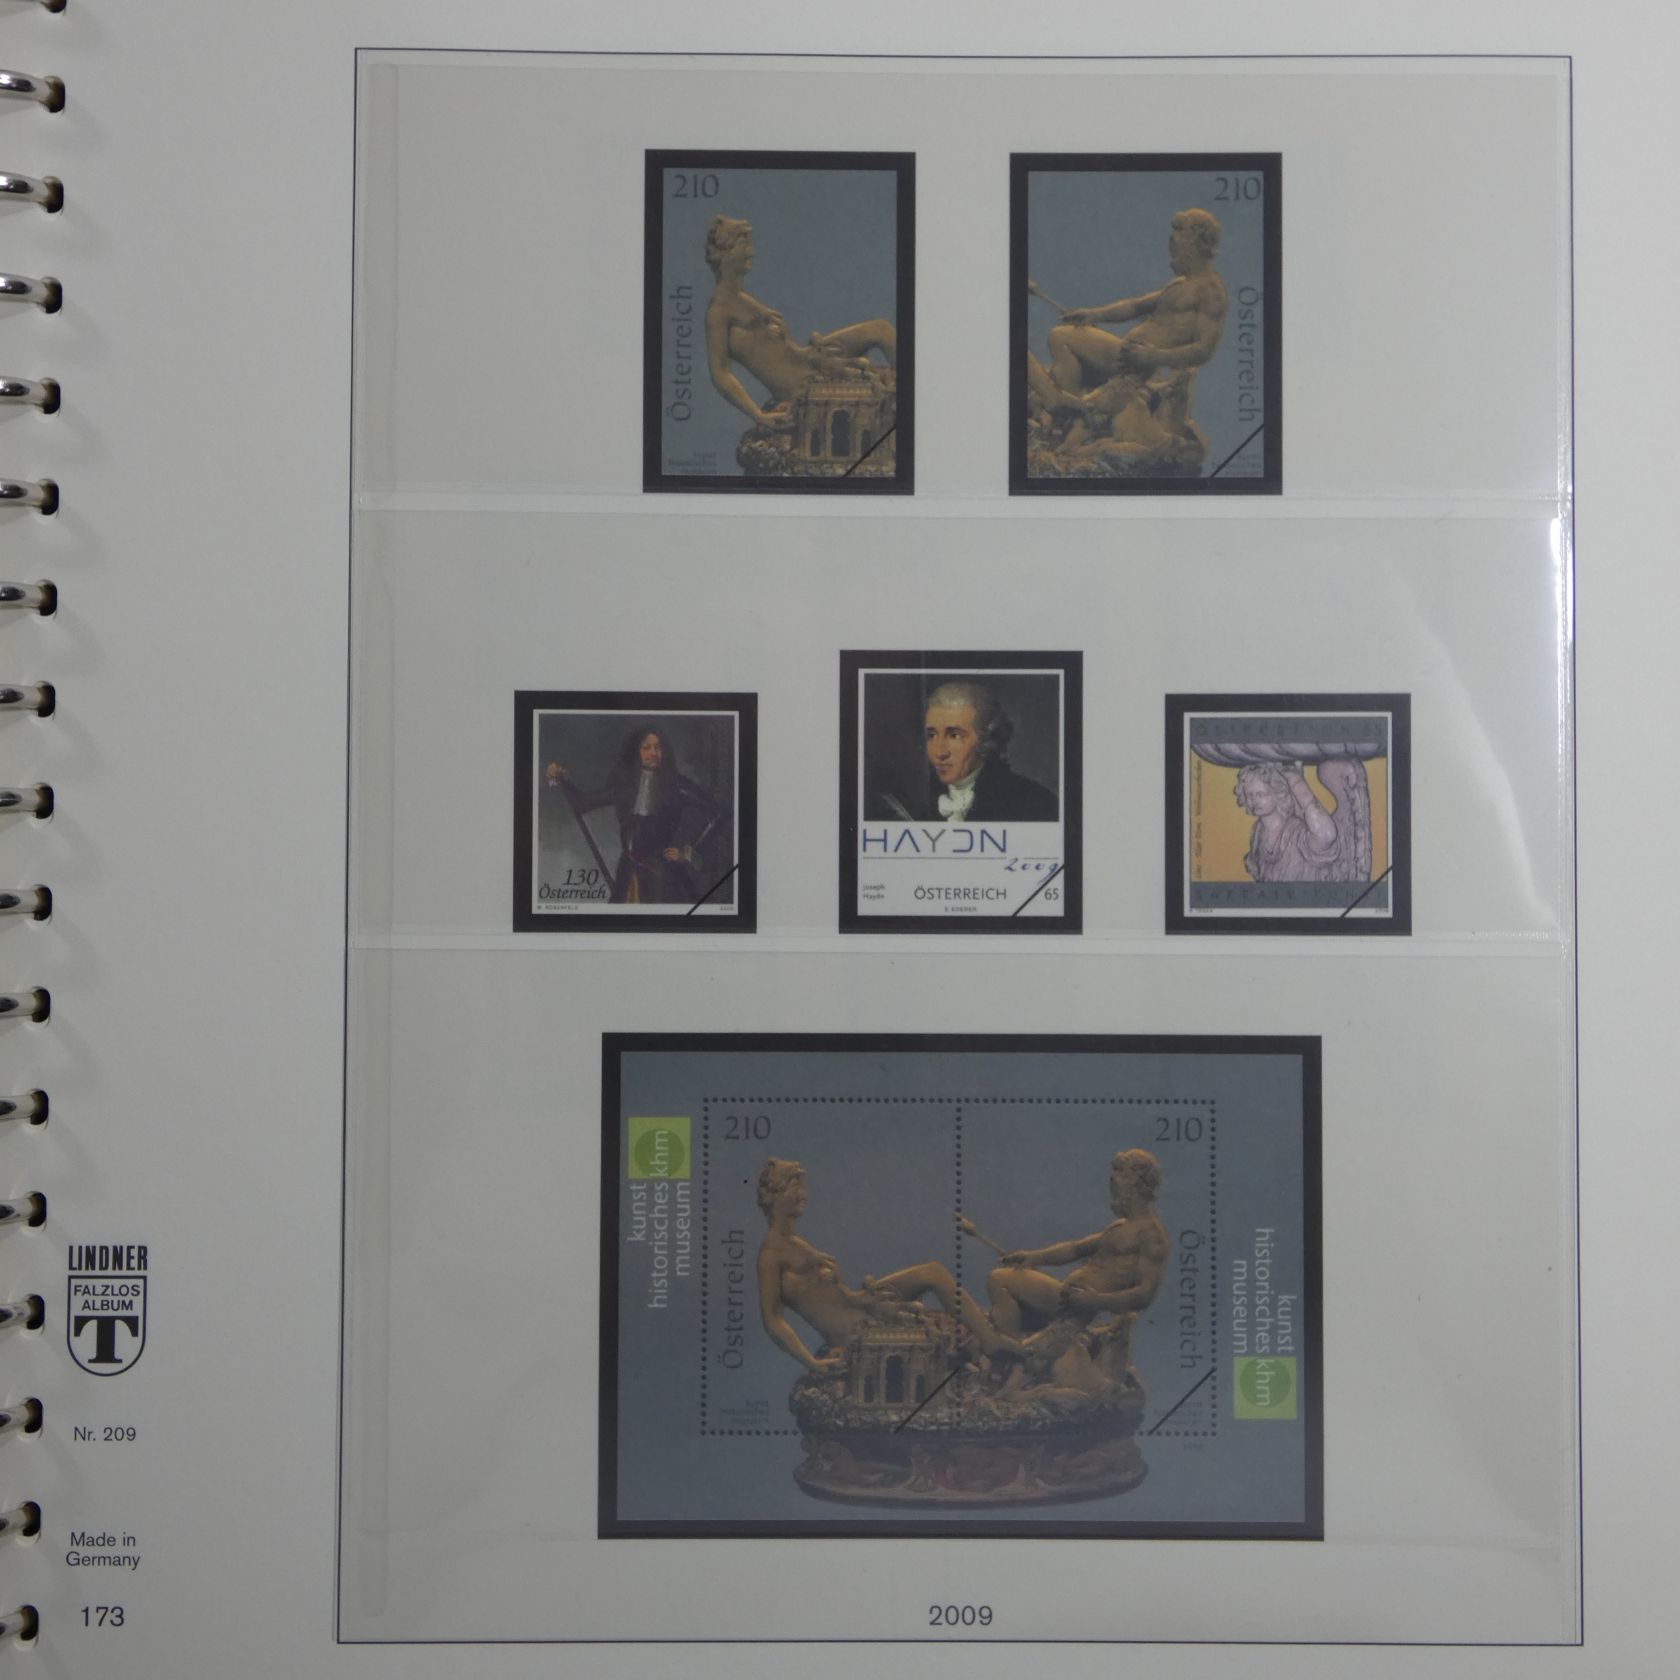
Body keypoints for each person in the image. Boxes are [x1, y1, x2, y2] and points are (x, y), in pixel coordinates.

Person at [754, 1157, 1018, 1375]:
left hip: (861, 1306)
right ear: (775, 1195)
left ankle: (990, 1340)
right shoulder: (771, 1254)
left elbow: (837, 1295)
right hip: (853, 1330)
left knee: (933, 1272)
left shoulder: (796, 1242)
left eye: (802, 1187)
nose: (803, 1195)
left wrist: (862, 1296)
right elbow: (773, 1321)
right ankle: (988, 1342)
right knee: (938, 1311)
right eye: (794, 1188)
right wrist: (810, 1362)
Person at [1026, 208, 1227, 471]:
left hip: (1136, 366)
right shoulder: (1180, 284)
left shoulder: (1211, 292)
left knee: (1060, 340)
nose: (1172, 250)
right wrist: (1092, 315)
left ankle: (1068, 411)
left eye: (1176, 243)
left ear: (1194, 243)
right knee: (1060, 335)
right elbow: (1135, 306)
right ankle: (1067, 406)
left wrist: (1153, 356)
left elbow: (1204, 349)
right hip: (1125, 353)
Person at [702, 214, 896, 431]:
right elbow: (720, 374)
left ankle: (916, 396)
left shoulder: (742, 299)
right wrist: (758, 415)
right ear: (725, 253)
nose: (751, 252)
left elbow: (783, 349)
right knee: (879, 363)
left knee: (881, 329)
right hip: (801, 385)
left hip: (812, 361)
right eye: (743, 244)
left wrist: (811, 352)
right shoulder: (718, 312)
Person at [984, 1149, 1168, 1348]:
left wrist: (1095, 1301)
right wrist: (1033, 1257)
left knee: (999, 1279)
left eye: (1117, 1181)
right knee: (1001, 1288)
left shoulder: (1152, 1235)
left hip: (1076, 1311)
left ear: (1134, 1183)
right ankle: (1010, 1349)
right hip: (1066, 1298)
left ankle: (1007, 1354)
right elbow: (1076, 1249)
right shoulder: (1120, 1226)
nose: (1112, 1188)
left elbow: (1145, 1294)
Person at [546, 726, 722, 905]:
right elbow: (582, 804)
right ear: (636, 751)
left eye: (658, 747)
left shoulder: (677, 784)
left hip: (662, 875)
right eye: (646, 747)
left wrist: (688, 853)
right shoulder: (624, 785)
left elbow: (717, 813)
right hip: (628, 872)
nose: (653, 753)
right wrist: (563, 780)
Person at [876, 679, 1057, 822]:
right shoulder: (915, 802)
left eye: (954, 735)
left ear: (986, 740)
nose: (940, 752)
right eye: (931, 735)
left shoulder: (1034, 802)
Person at [1234, 758, 1368, 884]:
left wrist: (1296, 781)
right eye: (1249, 795)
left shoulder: (1294, 831)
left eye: (1260, 794)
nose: (1254, 801)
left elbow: (1326, 835)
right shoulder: (1258, 830)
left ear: (1278, 793)